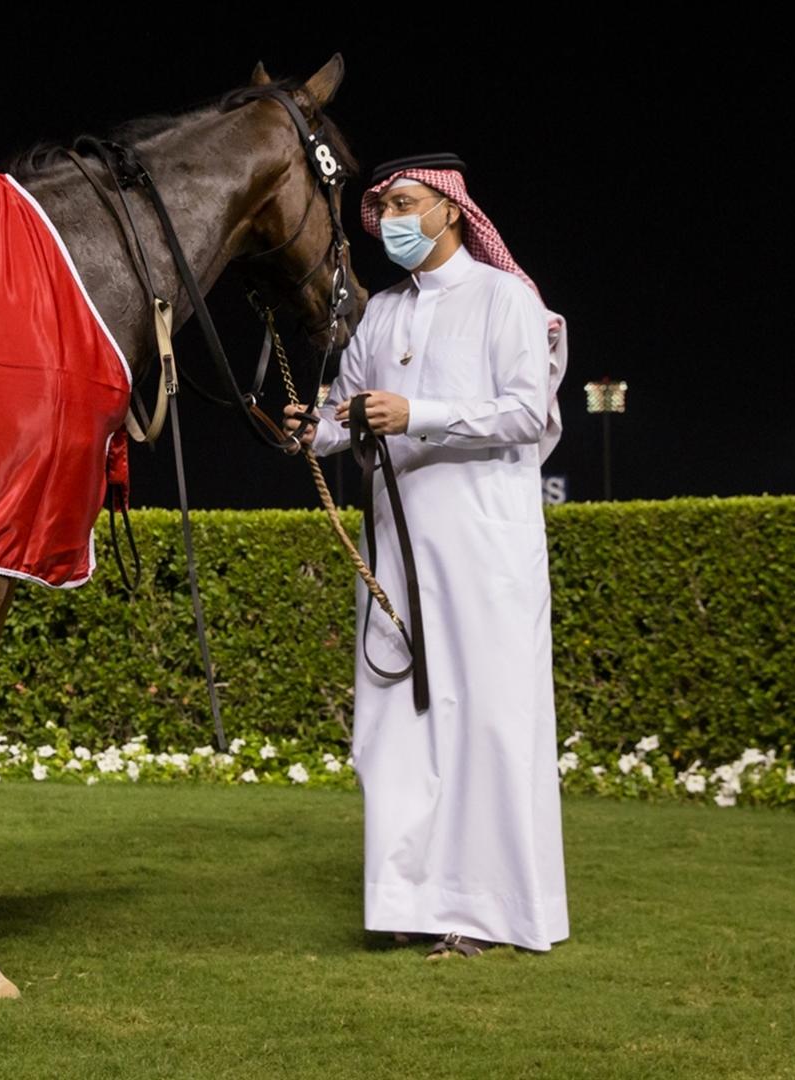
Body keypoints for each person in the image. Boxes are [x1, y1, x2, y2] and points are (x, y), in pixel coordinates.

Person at [283, 152, 570, 959]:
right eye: (381, 212)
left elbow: (526, 414)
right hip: (396, 553)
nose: (391, 224)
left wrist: (420, 413)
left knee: (483, 721)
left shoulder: (505, 299)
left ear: (450, 209)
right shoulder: (381, 316)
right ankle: (408, 899)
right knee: (393, 726)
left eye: (405, 205)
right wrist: (316, 428)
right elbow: (351, 413)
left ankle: (486, 914)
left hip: (484, 551)